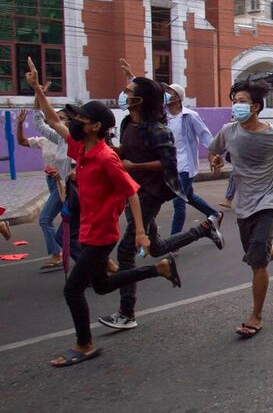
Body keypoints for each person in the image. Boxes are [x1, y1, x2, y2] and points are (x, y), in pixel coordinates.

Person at [24, 59, 181, 367]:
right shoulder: (81, 148)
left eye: (79, 118)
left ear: (95, 126)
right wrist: (35, 89)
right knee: (102, 285)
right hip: (88, 229)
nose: (73, 122)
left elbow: (132, 191)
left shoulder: (106, 158)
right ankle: (160, 269)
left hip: (101, 235)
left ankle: (85, 344)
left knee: (73, 290)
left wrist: (138, 231)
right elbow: (53, 119)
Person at [99, 70, 224, 330]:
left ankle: (126, 312)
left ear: (141, 100)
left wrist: (134, 166)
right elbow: (129, 151)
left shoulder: (159, 129)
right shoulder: (127, 124)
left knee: (126, 250)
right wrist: (117, 153)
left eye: (129, 92)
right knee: (155, 247)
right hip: (132, 190)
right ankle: (204, 228)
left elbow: (168, 163)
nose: (124, 95)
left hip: (152, 192)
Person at [208, 78, 273, 338]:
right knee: (257, 255)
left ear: (254, 107)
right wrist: (217, 159)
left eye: (241, 102)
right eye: (234, 101)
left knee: (256, 262)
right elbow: (214, 151)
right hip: (243, 204)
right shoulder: (229, 131)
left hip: (268, 202)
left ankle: (256, 315)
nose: (235, 106)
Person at [16, 104, 70, 272]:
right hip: (51, 182)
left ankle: (57, 254)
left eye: (61, 118)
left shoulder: (67, 141)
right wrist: (20, 123)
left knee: (45, 219)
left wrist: (61, 173)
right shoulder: (47, 138)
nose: (57, 121)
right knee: (69, 224)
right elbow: (22, 141)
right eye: (56, 118)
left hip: (64, 183)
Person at [163, 83, 223, 236]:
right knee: (188, 195)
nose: (166, 94)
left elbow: (205, 135)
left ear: (177, 97)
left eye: (169, 91)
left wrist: (214, 153)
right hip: (170, 165)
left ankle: (173, 239)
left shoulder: (189, 116)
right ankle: (214, 214)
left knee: (179, 200)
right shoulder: (162, 115)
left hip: (186, 165)